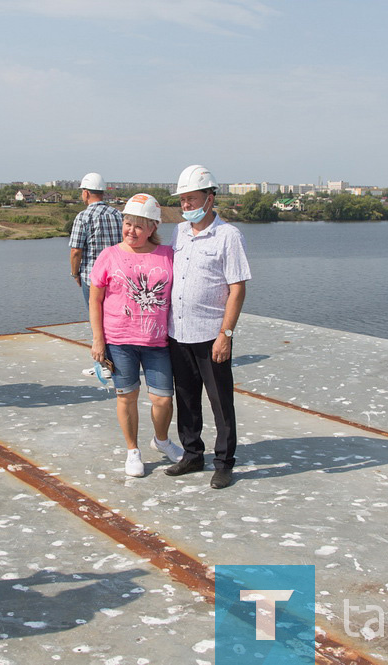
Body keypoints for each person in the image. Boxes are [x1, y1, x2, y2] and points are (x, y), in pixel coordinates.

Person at [165, 165, 251, 489]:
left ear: (210, 198)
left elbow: (238, 289)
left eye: (192, 199)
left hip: (211, 336)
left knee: (220, 402)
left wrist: (225, 335)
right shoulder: (180, 233)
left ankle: (224, 462)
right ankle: (192, 454)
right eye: (183, 200)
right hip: (179, 333)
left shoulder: (229, 236)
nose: (186, 205)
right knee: (185, 399)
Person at [89, 194, 185, 477]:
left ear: (153, 227)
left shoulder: (167, 255)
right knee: (127, 397)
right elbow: (95, 300)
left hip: (158, 342)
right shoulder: (109, 256)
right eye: (127, 224)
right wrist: (98, 340)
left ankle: (162, 440)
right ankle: (133, 451)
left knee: (163, 399)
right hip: (119, 341)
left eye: (139, 226)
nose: (131, 231)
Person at [68, 173, 123, 377]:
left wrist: (75, 273)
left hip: (92, 278)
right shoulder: (117, 214)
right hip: (117, 277)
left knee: (96, 320)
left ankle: (104, 365)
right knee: (114, 319)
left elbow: (76, 251)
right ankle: (118, 361)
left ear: (86, 193)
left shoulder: (83, 216)